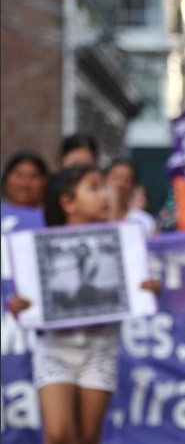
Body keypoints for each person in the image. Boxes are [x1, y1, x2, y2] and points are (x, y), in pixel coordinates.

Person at [6, 163, 160, 444]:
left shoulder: (123, 242)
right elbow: (28, 302)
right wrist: (19, 307)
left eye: (104, 187)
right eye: (94, 188)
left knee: (87, 438)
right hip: (54, 350)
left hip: (100, 351)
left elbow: (139, 289)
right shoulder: (41, 248)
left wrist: (149, 289)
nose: (105, 194)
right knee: (57, 435)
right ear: (68, 203)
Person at [103, 158, 156, 236]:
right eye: (115, 178)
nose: (120, 184)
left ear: (133, 187)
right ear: (103, 180)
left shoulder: (145, 221)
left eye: (126, 180)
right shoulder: (93, 219)